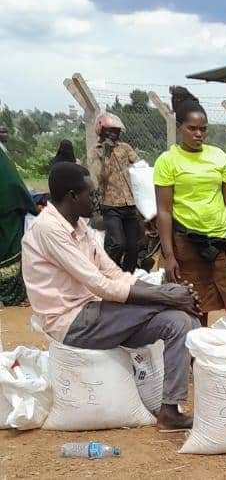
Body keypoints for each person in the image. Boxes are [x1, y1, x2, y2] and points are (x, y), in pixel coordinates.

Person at [21, 162, 200, 431]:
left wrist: (169, 295)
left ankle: (169, 411)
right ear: (72, 196)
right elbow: (99, 284)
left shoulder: (79, 226)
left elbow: (113, 273)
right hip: (72, 322)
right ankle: (176, 302)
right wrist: (168, 295)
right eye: (90, 194)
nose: (96, 199)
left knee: (179, 322)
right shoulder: (48, 229)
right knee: (173, 304)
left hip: (97, 313)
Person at [155, 87, 226, 324]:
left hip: (221, 243)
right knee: (196, 305)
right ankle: (197, 346)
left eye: (203, 129)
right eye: (192, 128)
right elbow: (164, 212)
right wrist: (169, 255)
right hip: (187, 245)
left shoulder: (218, 156)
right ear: (180, 127)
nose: (199, 134)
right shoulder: (167, 161)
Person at [95, 113, 143, 273]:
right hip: (110, 205)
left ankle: (127, 276)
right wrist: (106, 154)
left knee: (134, 245)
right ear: (101, 130)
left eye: (116, 131)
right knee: (117, 243)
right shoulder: (96, 152)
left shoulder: (125, 148)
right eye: (109, 130)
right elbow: (100, 177)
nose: (113, 134)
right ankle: (107, 272)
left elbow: (138, 164)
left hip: (130, 203)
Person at [0, 148, 36, 306]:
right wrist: (31, 207)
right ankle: (12, 296)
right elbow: (15, 186)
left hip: (7, 213)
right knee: (10, 255)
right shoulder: (4, 165)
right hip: (8, 217)